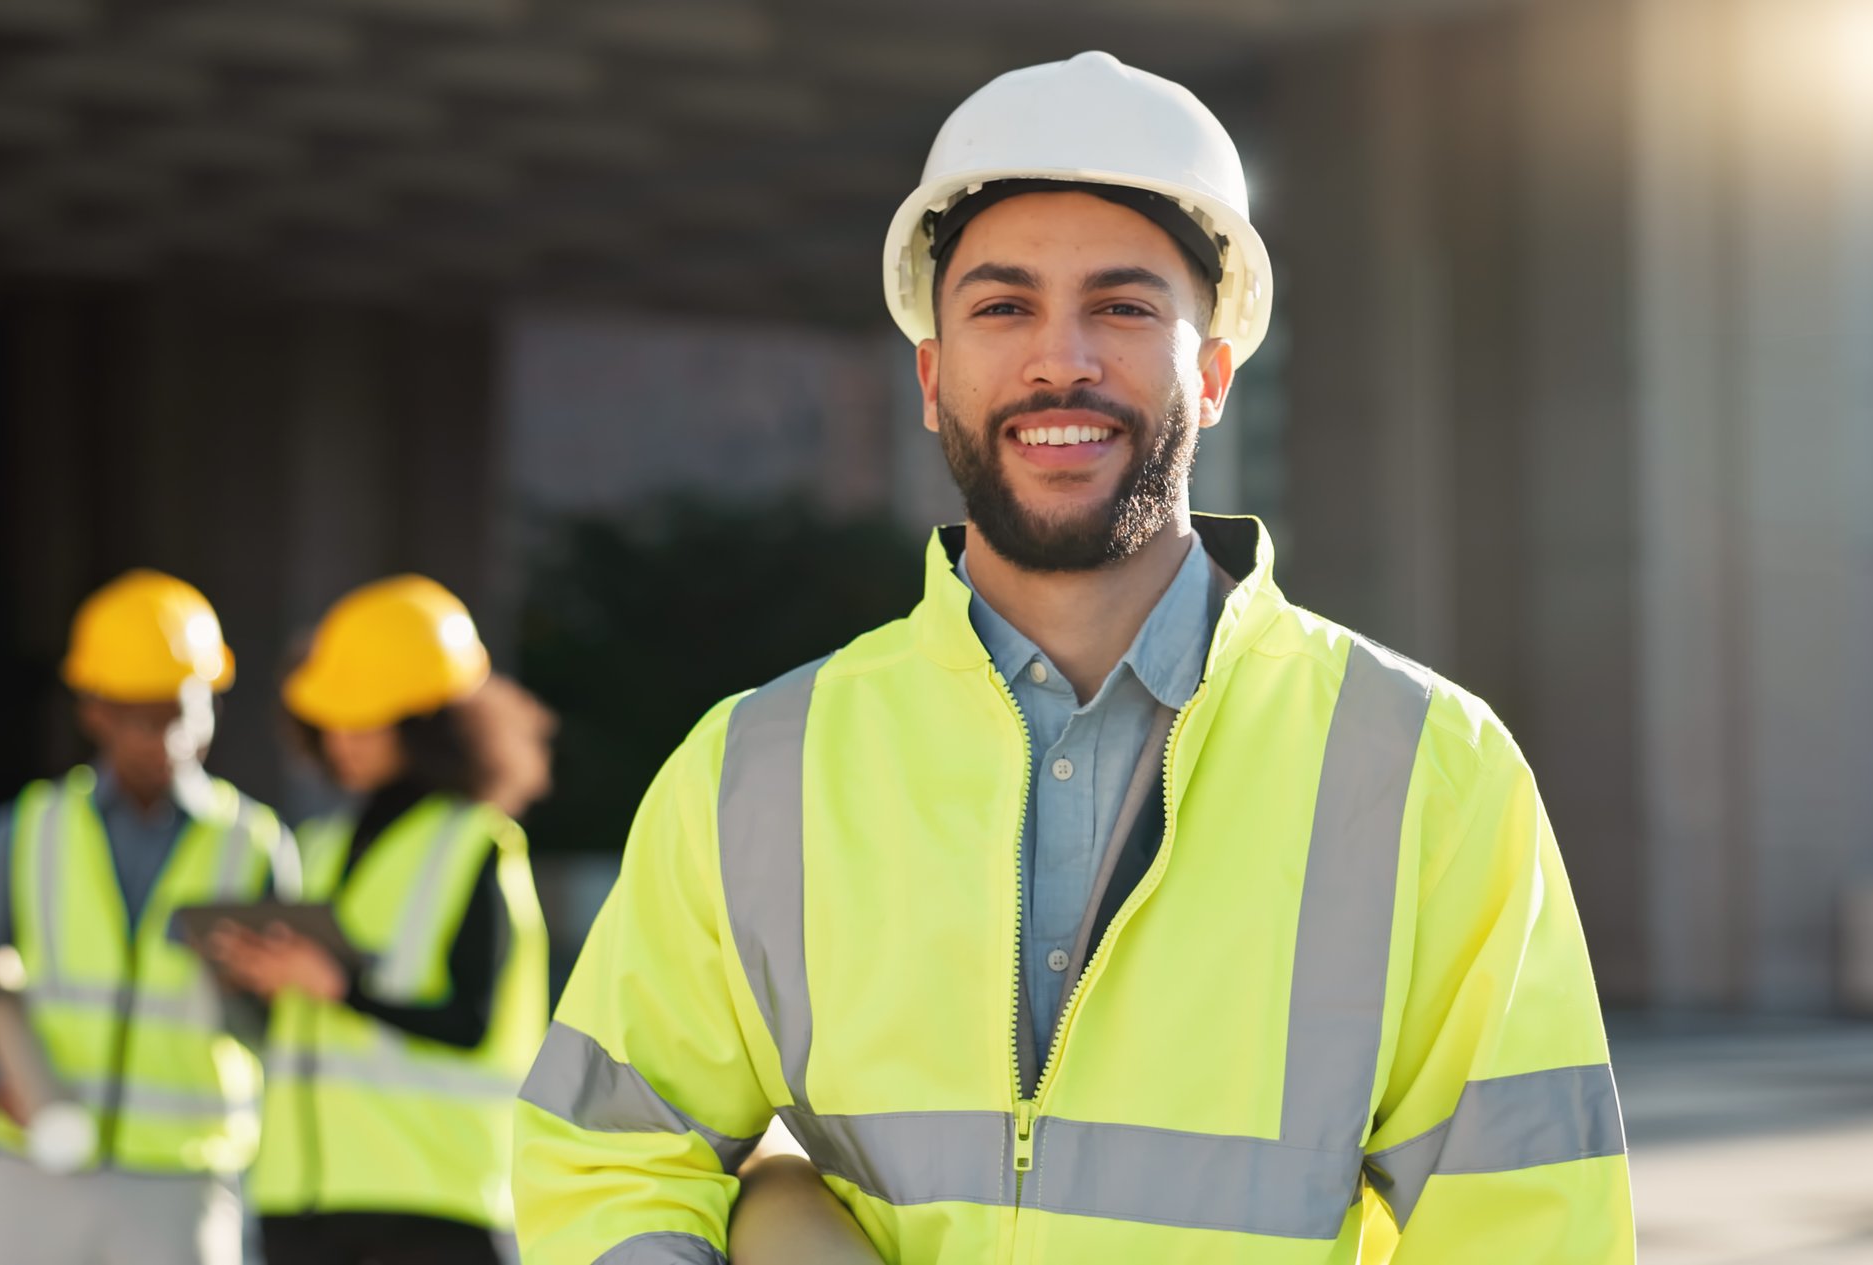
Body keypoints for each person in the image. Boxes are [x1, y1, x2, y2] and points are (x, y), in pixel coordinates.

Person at [512, 50, 1633, 1265]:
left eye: (1124, 305)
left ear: (1211, 373)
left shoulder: (1429, 768)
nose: (1062, 360)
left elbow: (1528, 1227)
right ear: (934, 380)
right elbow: (610, 1151)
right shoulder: (750, 771)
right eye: (1002, 306)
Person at [0, 570, 291, 1265]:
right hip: (38, 1170)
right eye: (144, 716)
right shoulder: (27, 831)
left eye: (184, 711)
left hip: (183, 1177)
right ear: (96, 710)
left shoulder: (255, 844)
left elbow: (284, 1030)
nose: (168, 739)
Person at [206, 575, 552, 1265]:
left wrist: (338, 985)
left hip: (432, 1202)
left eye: (366, 719)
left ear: (430, 723)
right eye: (333, 718)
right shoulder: (320, 847)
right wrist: (260, 979)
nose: (343, 739)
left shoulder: (476, 845)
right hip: (300, 1199)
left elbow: (472, 1022)